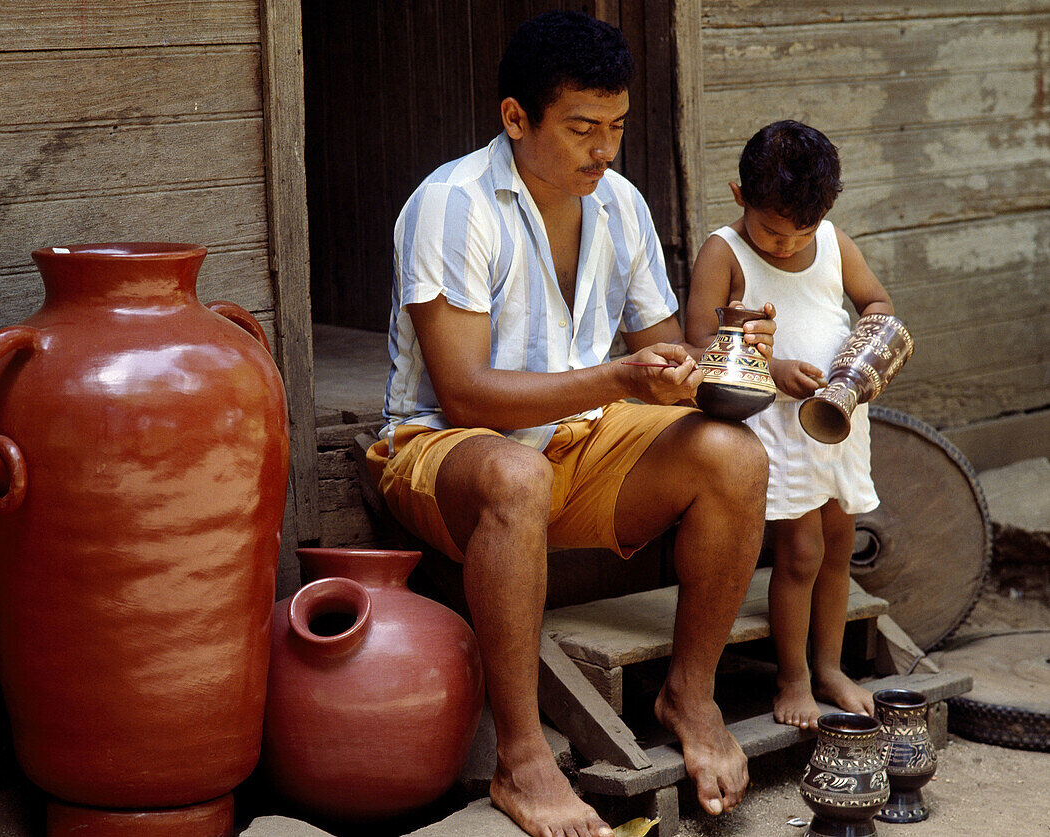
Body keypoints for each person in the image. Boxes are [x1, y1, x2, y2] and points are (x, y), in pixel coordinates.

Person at [365, 11, 776, 836]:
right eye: (583, 128)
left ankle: (689, 695)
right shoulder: (453, 205)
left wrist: (728, 351)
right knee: (516, 472)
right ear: (516, 118)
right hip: (442, 453)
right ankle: (521, 757)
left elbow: (663, 357)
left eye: (617, 127)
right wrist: (619, 377)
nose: (604, 149)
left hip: (579, 445)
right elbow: (467, 395)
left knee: (733, 455)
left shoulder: (618, 203)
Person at [685, 120, 895, 732]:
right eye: (772, 230)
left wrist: (859, 361)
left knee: (837, 550)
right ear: (738, 194)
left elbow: (876, 304)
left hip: (839, 417)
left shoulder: (834, 244)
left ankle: (830, 667)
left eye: (799, 231)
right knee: (800, 554)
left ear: (824, 214)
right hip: (774, 425)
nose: (784, 245)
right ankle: (793, 677)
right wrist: (769, 367)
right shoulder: (723, 252)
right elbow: (697, 341)